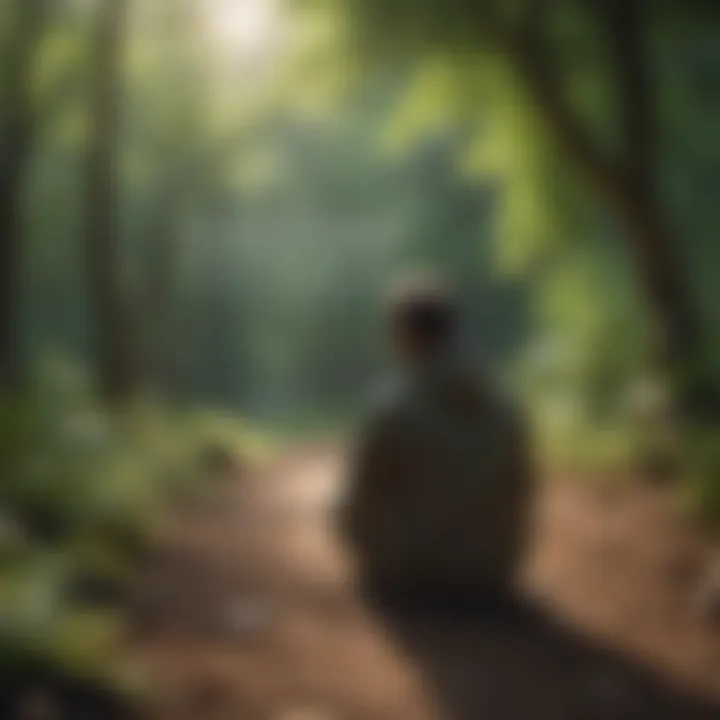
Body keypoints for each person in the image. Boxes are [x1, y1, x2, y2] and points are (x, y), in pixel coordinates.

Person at [338, 276, 534, 612]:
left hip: (414, 577)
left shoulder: (393, 406)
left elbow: (361, 502)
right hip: (490, 572)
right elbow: (520, 489)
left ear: (408, 335)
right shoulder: (504, 404)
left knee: (343, 506)